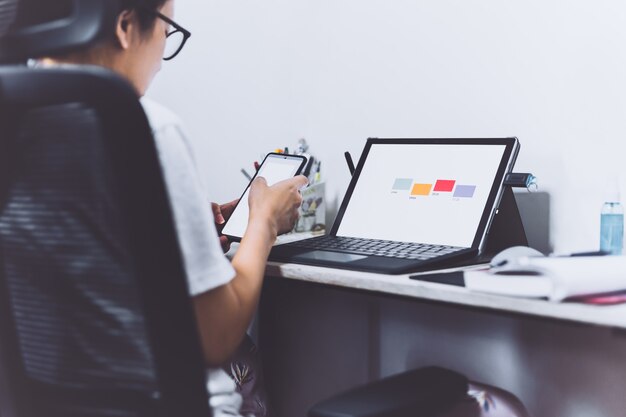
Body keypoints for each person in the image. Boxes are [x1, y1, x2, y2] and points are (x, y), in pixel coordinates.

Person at [40, 0, 307, 416]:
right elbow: (216, 337)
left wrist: (188, 235)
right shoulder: (144, 127)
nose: (162, 63)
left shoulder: (22, 121)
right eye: (167, 32)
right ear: (127, 27)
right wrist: (263, 222)